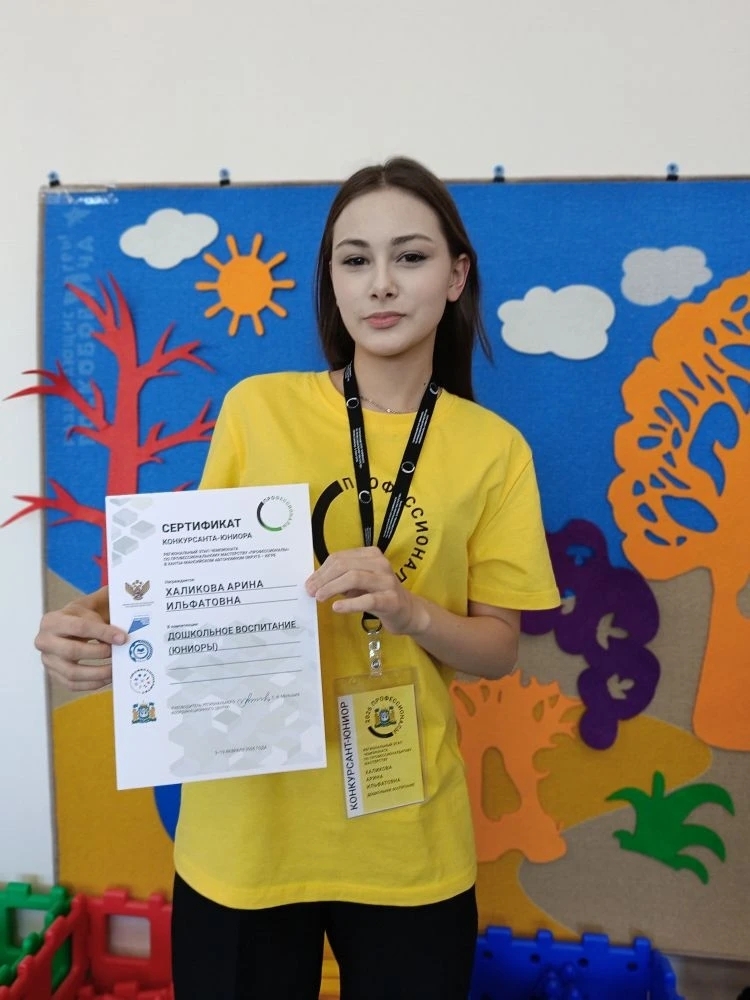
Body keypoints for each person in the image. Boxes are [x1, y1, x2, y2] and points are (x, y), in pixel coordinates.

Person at [35, 157, 560, 999]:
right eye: (355, 260)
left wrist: (411, 611)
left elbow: (499, 648)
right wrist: (89, 618)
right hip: (244, 831)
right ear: (333, 281)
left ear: (457, 276)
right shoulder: (260, 407)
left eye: (410, 256)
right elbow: (189, 571)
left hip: (405, 837)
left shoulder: (494, 450)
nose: (381, 283)